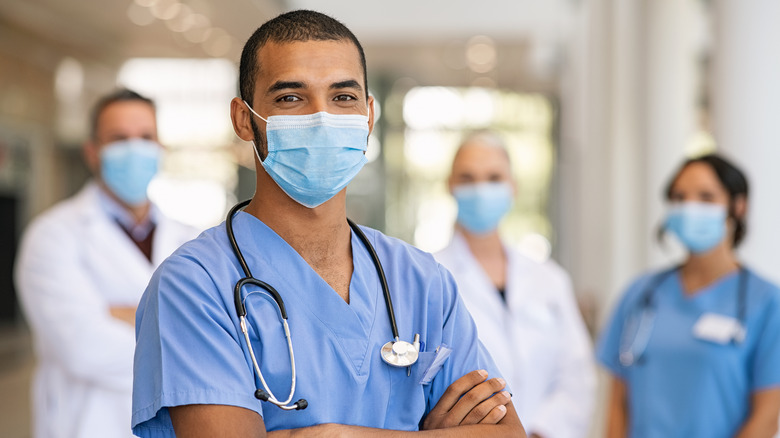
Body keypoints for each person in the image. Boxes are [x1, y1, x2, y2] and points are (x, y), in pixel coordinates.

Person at [131, 10, 525, 438]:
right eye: (290, 98)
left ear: (369, 117)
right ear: (244, 120)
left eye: (343, 98)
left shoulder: (420, 281)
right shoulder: (195, 285)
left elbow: (506, 433)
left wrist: (338, 435)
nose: (322, 118)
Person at [14, 88, 200, 438]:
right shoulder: (52, 236)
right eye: (119, 138)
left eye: (145, 137)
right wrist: (184, 326)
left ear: (161, 148)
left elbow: (229, 336)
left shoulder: (191, 239)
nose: (134, 149)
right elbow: (84, 348)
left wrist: (127, 314)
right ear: (92, 152)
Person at [597, 153, 780, 438]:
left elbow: (767, 417)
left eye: (706, 197)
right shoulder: (640, 294)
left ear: (738, 206)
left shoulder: (766, 302)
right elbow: (617, 406)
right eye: (679, 198)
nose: (690, 208)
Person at [434, 131, 595, 438]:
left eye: (494, 177)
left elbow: (576, 375)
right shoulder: (429, 276)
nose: (481, 189)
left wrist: (538, 431)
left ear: (513, 187)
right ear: (450, 186)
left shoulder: (549, 280)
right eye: (468, 178)